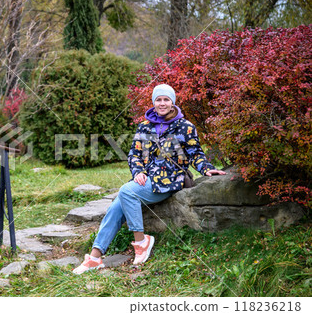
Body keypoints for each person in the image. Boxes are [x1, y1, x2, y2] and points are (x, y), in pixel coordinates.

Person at [73, 84, 226, 275]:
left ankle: (141, 241)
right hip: (147, 179)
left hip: (171, 180)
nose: (162, 103)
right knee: (116, 206)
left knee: (126, 191)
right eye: (158, 99)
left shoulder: (185, 126)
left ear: (172, 102)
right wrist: (137, 171)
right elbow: (134, 154)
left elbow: (196, 153)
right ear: (153, 102)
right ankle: (95, 257)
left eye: (166, 99)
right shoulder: (144, 127)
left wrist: (207, 169)